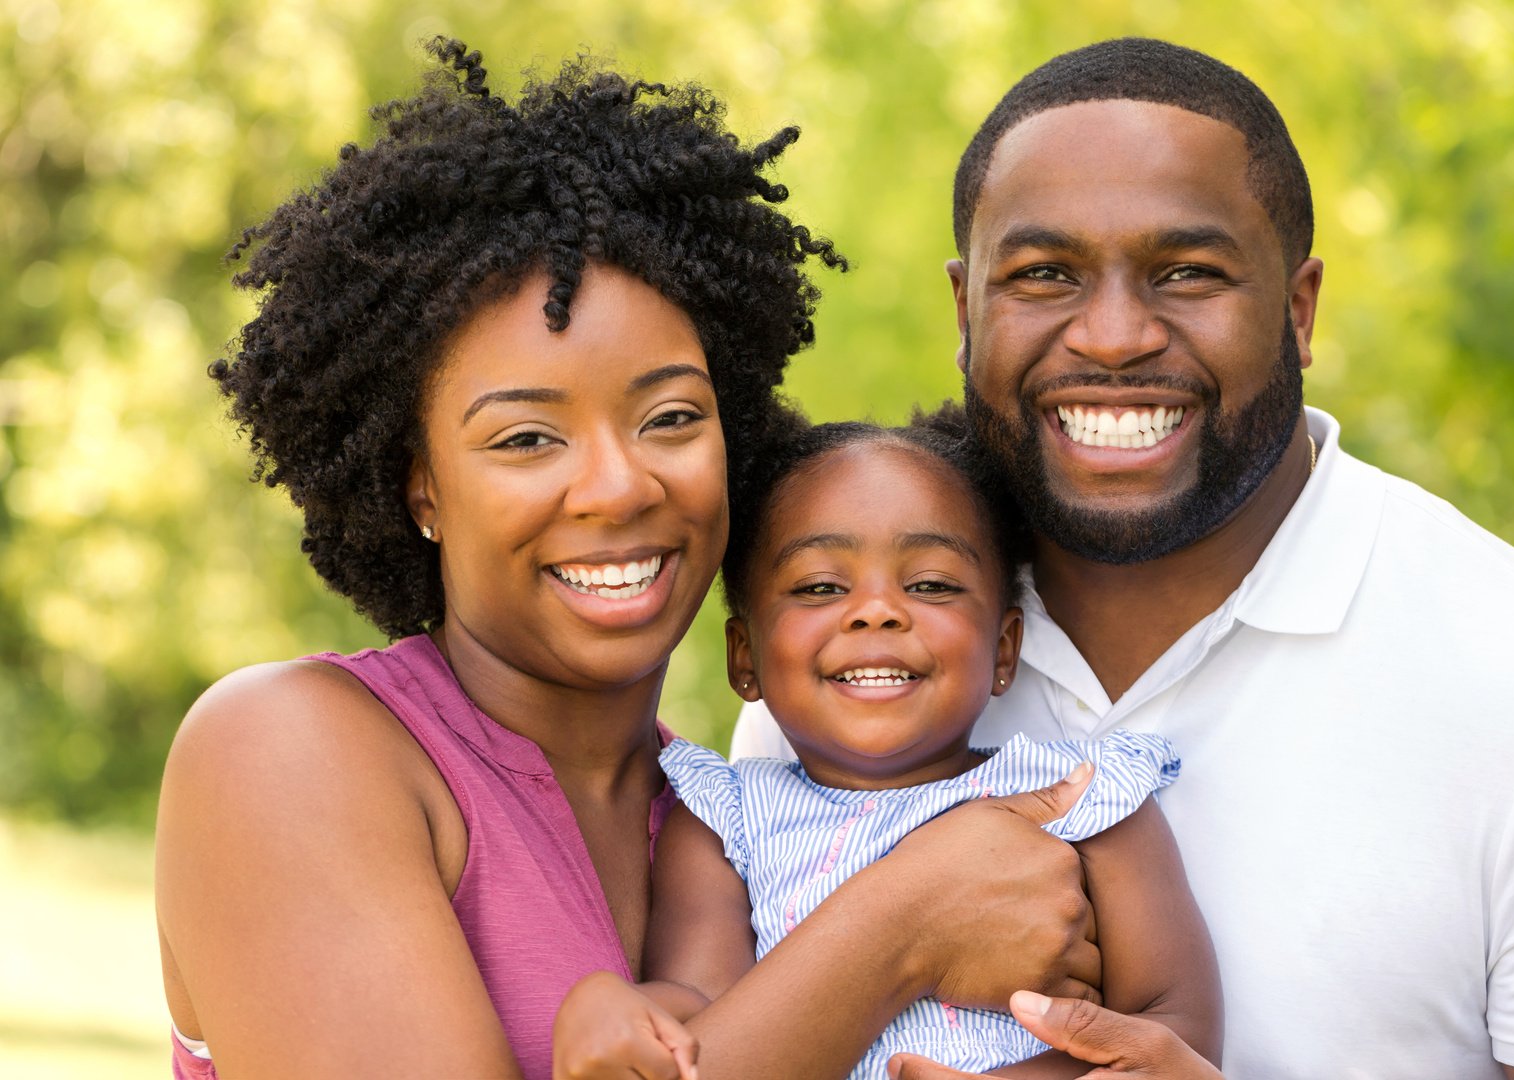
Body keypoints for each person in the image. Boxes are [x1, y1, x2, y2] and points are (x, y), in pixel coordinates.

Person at [155, 39, 1105, 1080]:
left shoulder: (740, 822)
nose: (618, 486)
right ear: (420, 484)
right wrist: (904, 923)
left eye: (670, 417)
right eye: (526, 437)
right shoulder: (288, 753)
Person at [733, 38, 1514, 1080]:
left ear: (1298, 310)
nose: (1112, 336)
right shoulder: (856, 655)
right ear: (965, 312)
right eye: (1045, 274)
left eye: (1187, 273)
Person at [552, 418, 1220, 1078]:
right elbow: (706, 1019)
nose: (876, 611)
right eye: (820, 587)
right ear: (744, 657)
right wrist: (607, 1007)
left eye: (930, 584)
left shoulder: (1085, 800)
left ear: (1004, 649)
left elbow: (1174, 1025)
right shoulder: (728, 824)